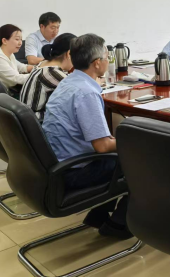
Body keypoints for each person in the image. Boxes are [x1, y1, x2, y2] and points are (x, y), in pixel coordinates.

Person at [41, 34, 131, 239]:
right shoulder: (86, 93)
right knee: (140, 160)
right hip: (74, 170)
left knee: (122, 152)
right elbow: (102, 147)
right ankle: (119, 224)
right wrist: (135, 143)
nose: (108, 61)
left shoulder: (69, 82)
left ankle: (98, 214)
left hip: (59, 164)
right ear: (97, 63)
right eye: (107, 57)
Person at [20, 33, 76, 120]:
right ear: (69, 54)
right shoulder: (52, 73)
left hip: (28, 117)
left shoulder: (44, 64)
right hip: (38, 120)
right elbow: (80, 90)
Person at [0, 24, 33, 90]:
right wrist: (40, 75)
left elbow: (22, 67)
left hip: (4, 91)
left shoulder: (9, 54)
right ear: (4, 41)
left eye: (21, 39)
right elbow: (16, 78)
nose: (20, 43)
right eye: (17, 39)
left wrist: (39, 68)